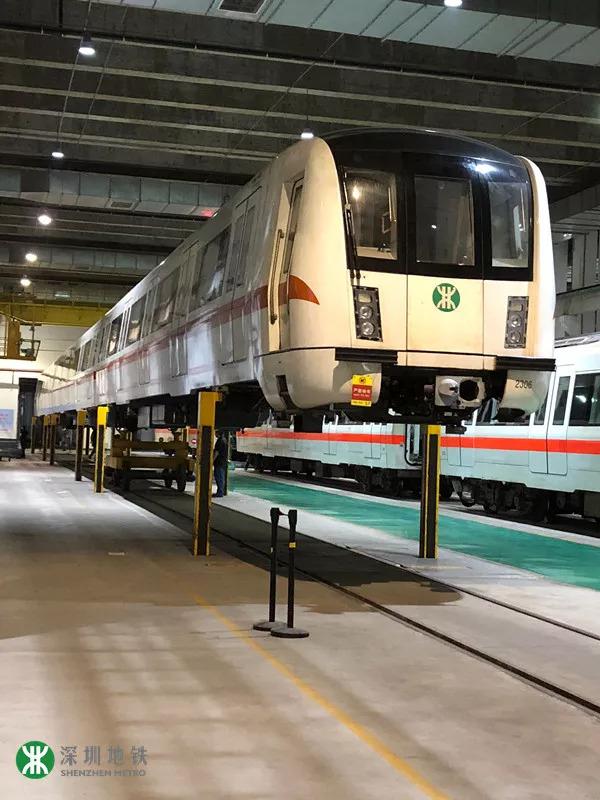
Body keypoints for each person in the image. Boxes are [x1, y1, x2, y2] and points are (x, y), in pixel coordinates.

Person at [213, 431, 228, 498]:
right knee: (221, 477)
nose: (214, 434)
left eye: (215, 433)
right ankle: (220, 491)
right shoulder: (224, 440)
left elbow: (217, 452)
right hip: (223, 462)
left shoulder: (219, 441)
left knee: (219, 477)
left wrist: (212, 460)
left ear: (217, 433)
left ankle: (220, 492)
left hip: (219, 462)